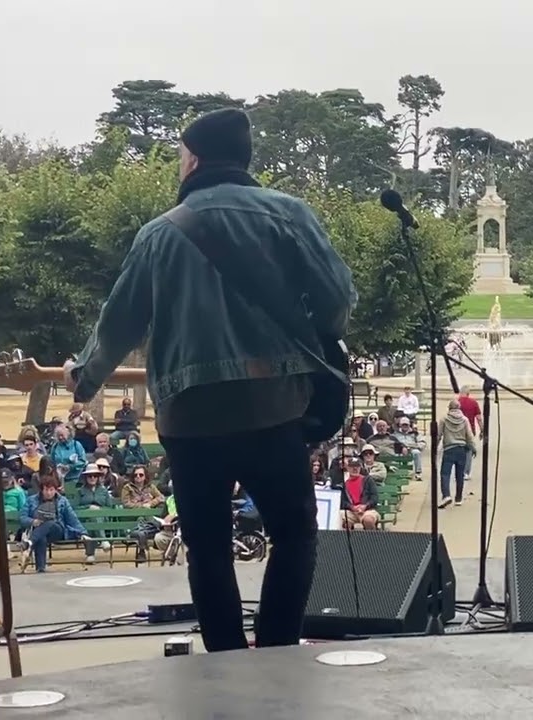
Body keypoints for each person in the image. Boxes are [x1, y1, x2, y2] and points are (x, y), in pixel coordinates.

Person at [64, 108, 356, 653]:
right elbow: (339, 299)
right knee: (294, 536)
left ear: (194, 159)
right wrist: (319, 341)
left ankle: (224, 661)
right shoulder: (290, 215)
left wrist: (84, 379)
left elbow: (119, 319)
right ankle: (276, 651)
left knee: (209, 548)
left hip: (189, 416)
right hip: (272, 406)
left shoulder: (159, 234)